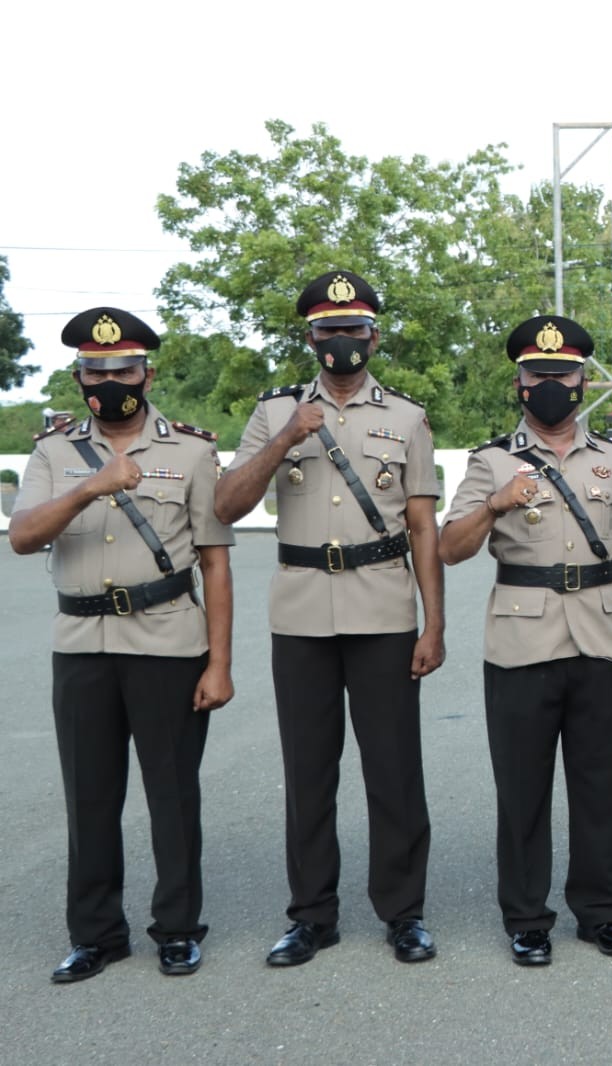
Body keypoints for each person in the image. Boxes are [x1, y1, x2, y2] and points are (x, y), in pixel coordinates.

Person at [214, 270, 445, 967]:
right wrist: (285, 437)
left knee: (394, 769)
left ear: (373, 335)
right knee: (308, 771)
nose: (341, 341)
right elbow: (226, 505)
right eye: (327, 330)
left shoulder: (407, 417)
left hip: (381, 606)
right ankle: (311, 916)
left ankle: (404, 913)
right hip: (302, 610)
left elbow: (424, 528)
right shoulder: (273, 412)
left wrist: (434, 624)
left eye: (353, 329)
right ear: (310, 337)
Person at [11, 308, 234, 982]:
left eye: (124, 370)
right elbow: (24, 536)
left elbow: (216, 562)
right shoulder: (53, 453)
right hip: (80, 644)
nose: (110, 382)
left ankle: (176, 929)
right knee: (89, 797)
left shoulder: (191, 451)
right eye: (95, 371)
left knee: (172, 795)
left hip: (168, 642)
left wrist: (220, 664)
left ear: (149, 373)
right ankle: (96, 935)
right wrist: (91, 485)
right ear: (79, 377)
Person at [438, 315, 612, 967]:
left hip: (598, 637)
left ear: (583, 379)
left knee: (598, 786)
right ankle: (527, 918)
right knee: (522, 790)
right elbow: (451, 548)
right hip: (519, 645)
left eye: (563, 374)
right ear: (520, 382)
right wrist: (494, 504)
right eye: (538, 375)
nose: (551, 384)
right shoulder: (490, 462)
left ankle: (601, 914)